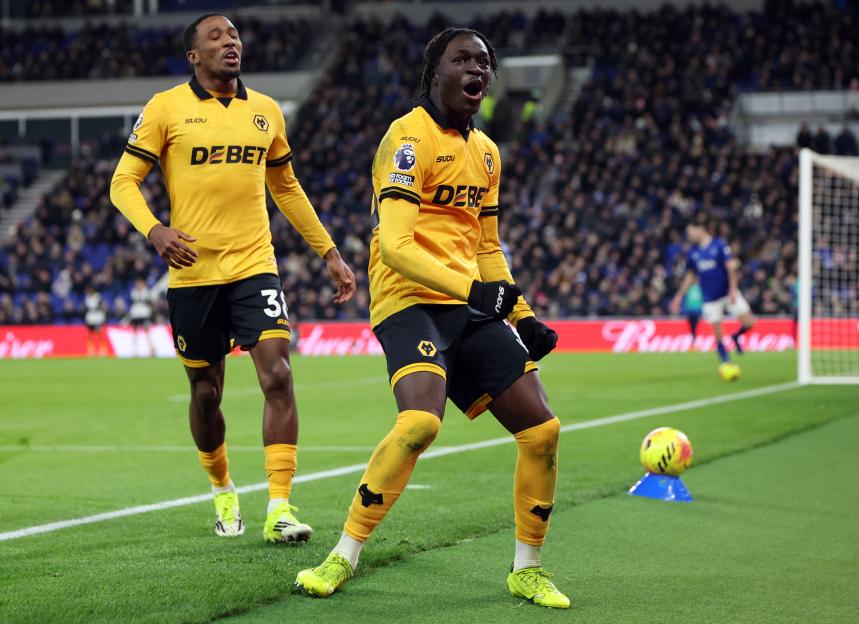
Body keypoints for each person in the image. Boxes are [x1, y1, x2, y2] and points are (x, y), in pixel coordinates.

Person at [295, 27, 568, 609]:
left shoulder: (488, 152)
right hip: (407, 300)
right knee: (420, 422)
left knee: (542, 432)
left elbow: (487, 245)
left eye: (485, 63)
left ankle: (527, 567)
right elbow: (394, 245)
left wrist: (522, 313)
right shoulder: (407, 140)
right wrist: (475, 291)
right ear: (435, 72)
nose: (477, 70)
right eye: (462, 59)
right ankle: (343, 554)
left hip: (467, 303)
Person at [109, 14, 355, 542]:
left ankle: (280, 507)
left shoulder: (265, 111)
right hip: (193, 273)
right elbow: (123, 181)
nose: (231, 42)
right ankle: (223, 490)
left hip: (253, 266)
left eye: (235, 35)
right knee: (205, 394)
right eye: (216, 37)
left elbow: (286, 188)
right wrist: (155, 232)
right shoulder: (165, 107)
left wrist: (328, 252)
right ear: (193, 55)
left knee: (278, 377)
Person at [670, 221, 754, 364]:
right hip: (709, 297)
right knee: (717, 330)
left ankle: (736, 336)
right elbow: (691, 276)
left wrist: (733, 289)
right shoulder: (693, 252)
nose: (689, 235)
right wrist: (679, 296)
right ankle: (725, 361)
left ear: (700, 229)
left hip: (727, 292)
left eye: (690, 232)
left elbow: (730, 268)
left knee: (748, 322)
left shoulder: (719, 245)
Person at [128, 278, 155, 356]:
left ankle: (151, 349)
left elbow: (150, 302)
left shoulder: (146, 292)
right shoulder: (133, 292)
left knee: (147, 331)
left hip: (144, 314)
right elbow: (131, 301)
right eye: (137, 283)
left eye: (140, 283)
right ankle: (135, 350)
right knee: (134, 331)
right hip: (135, 314)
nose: (139, 285)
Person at [83, 285, 108, 357]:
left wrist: (103, 316)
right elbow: (86, 308)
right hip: (90, 318)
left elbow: (103, 306)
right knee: (90, 334)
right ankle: (91, 350)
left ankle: (103, 349)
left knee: (100, 334)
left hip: (98, 318)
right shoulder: (87, 298)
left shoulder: (98, 297)